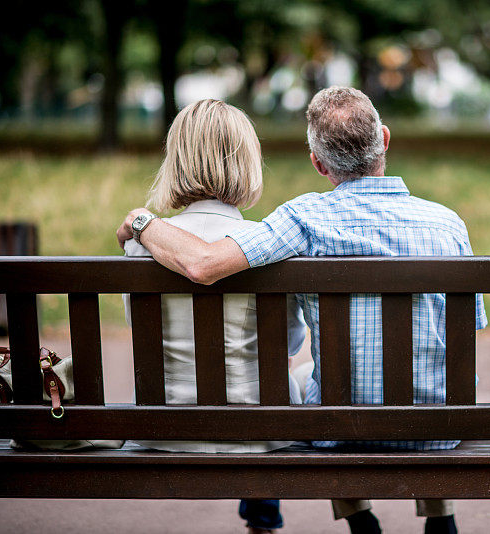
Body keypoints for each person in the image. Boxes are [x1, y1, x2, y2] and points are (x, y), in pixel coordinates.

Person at [117, 86, 487, 534]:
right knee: (412, 357)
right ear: (384, 139)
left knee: (328, 376)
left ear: (317, 163)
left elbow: (204, 264)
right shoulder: (448, 223)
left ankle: (358, 517)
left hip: (337, 428)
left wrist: (141, 223)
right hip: (439, 428)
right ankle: (440, 517)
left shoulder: (303, 219)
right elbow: (467, 330)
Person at [121, 98, 306, 534]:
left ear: (176, 163)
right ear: (248, 163)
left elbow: (140, 332)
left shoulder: (141, 246)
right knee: (287, 374)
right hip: (262, 432)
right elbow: (292, 343)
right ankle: (263, 517)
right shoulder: (267, 245)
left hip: (164, 426)